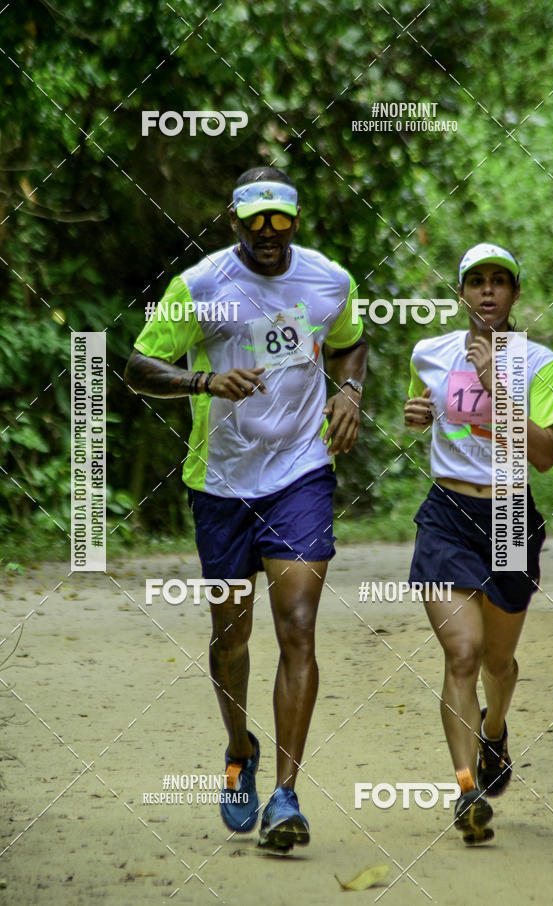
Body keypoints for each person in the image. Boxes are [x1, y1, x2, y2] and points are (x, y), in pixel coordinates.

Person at [124, 166, 368, 851]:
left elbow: (350, 346)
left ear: (296, 220)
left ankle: (287, 795)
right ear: (235, 221)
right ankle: (240, 750)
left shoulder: (329, 279)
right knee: (231, 639)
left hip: (300, 475)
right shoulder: (199, 286)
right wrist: (204, 379)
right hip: (222, 483)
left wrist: (349, 395)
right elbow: (139, 365)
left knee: (297, 625)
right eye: (255, 220)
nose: (268, 233)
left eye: (280, 220)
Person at [404, 243, 553, 844]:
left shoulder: (539, 362)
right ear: (463, 292)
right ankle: (466, 788)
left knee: (498, 662)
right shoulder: (429, 353)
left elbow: (544, 455)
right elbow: (431, 415)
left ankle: (494, 729)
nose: (489, 292)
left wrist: (497, 384)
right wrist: (420, 414)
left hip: (509, 515)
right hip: (447, 511)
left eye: (501, 282)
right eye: (478, 282)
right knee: (462, 655)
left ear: (515, 294)